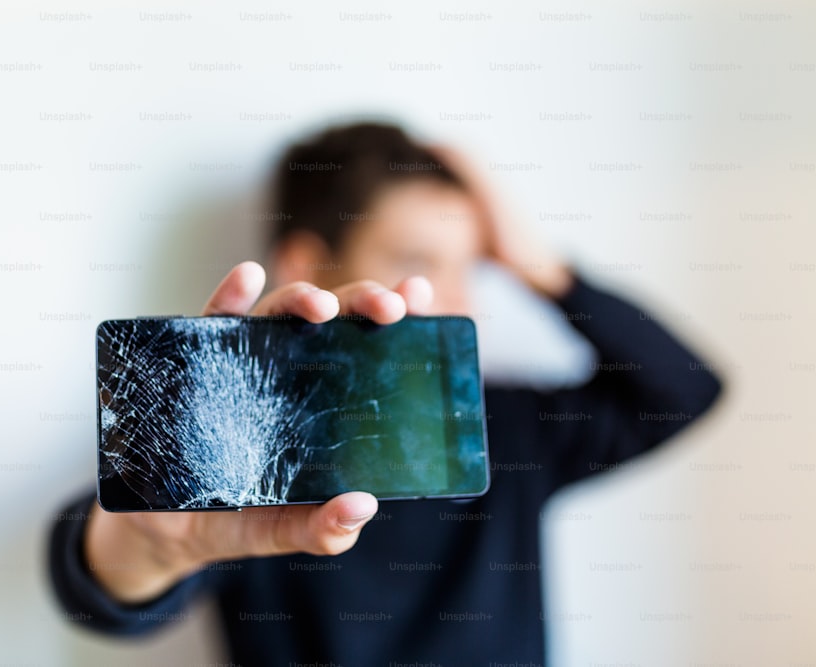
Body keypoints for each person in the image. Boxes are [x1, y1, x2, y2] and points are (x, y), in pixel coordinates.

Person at [48, 122, 723, 664]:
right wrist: (159, 547)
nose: (454, 301)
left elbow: (683, 389)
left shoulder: (506, 427)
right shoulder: (238, 446)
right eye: (418, 262)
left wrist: (538, 263)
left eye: (473, 269)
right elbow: (99, 586)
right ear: (306, 263)